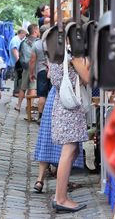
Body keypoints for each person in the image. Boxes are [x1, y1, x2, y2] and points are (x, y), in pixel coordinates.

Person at [48, 48, 90, 213]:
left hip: (62, 103)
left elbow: (51, 76)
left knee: (72, 151)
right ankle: (61, 198)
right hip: (70, 106)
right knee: (69, 150)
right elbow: (87, 78)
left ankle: (60, 194)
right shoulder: (72, 54)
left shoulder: (56, 52)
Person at [15, 24, 39, 112]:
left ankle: (18, 105)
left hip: (25, 67)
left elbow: (20, 54)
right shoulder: (38, 42)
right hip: (35, 67)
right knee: (33, 87)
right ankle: (30, 107)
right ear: (35, 31)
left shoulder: (24, 42)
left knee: (23, 87)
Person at [29, 25, 50, 121]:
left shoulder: (36, 44)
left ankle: (40, 117)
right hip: (53, 71)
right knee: (52, 95)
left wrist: (31, 73)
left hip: (41, 71)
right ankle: (50, 116)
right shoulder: (52, 43)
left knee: (42, 95)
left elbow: (32, 60)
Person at [7, 28, 27, 98]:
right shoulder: (15, 40)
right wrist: (19, 61)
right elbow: (15, 51)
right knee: (18, 77)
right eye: (24, 34)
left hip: (16, 62)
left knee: (18, 77)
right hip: (16, 62)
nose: (25, 36)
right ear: (21, 33)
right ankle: (16, 92)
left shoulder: (17, 39)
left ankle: (17, 91)